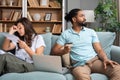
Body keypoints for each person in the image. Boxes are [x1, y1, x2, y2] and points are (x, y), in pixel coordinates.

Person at [51, 8, 120, 80]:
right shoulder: (66, 34)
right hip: (79, 65)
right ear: (74, 19)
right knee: (82, 78)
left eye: (84, 16)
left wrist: (105, 59)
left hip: (94, 61)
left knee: (117, 69)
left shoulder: (91, 32)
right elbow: (54, 51)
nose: (84, 18)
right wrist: (64, 51)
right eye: (82, 16)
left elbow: (99, 50)